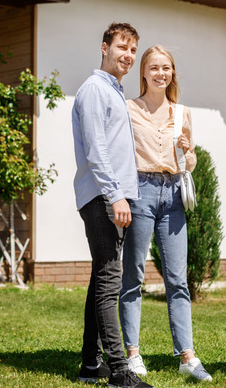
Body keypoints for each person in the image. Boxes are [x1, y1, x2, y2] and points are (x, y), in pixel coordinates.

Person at [118, 45, 213, 382]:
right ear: (143, 72)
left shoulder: (182, 112)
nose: (161, 73)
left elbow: (189, 164)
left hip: (173, 194)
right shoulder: (128, 109)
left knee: (177, 279)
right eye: (154, 67)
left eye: (167, 68)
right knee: (133, 277)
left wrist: (189, 153)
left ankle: (187, 357)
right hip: (140, 192)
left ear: (173, 73)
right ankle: (132, 353)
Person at [72, 22, 152, 388]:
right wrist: (115, 194)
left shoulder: (114, 91)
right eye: (122, 47)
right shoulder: (94, 90)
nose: (129, 55)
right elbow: (96, 149)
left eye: (133, 50)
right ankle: (120, 371)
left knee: (101, 277)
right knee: (109, 280)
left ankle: (91, 364)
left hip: (111, 195)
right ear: (104, 47)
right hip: (103, 197)